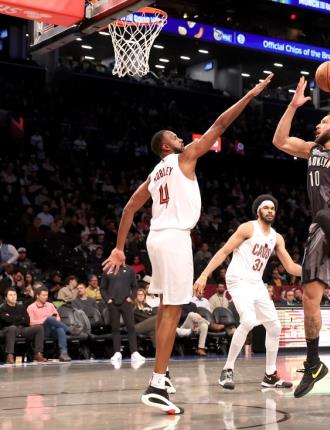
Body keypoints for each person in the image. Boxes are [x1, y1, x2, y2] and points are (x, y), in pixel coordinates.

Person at [102, 74, 273, 415]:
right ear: (166, 146)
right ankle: (156, 381)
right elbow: (219, 125)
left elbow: (128, 209)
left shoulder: (154, 173)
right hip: (175, 238)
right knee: (172, 311)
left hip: (155, 239)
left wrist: (120, 247)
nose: (181, 138)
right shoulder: (184, 158)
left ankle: (161, 378)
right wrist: (250, 93)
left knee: (169, 308)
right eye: (175, 137)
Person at [272, 69, 330, 398]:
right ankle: (313, 362)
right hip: (318, 227)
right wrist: (293, 105)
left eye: (323, 122)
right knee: (310, 297)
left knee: (324, 213)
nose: (317, 126)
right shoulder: (312, 150)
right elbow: (279, 141)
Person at [195, 194, 300, 390]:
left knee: (275, 326)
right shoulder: (248, 228)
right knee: (249, 320)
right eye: (266, 207)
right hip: (237, 279)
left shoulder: (276, 237)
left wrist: (315, 272)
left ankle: (270, 375)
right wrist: (204, 275)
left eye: (273, 208)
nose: (270, 210)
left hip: (255, 282)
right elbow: (224, 251)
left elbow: (291, 267)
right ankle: (227, 370)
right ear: (258, 210)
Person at [101, 264, 145, 364]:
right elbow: (102, 288)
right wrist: (108, 299)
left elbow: (134, 286)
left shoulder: (130, 269)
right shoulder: (108, 270)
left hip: (126, 302)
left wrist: (132, 297)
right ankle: (117, 352)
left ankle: (134, 352)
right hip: (113, 303)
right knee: (115, 328)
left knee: (131, 327)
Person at [0, 288, 46, 363]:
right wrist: (20, 318)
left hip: (21, 329)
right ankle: (9, 355)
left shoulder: (21, 307)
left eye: (15, 295)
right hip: (7, 329)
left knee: (39, 328)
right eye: (10, 295)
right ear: (6, 297)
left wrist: (13, 318)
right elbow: (6, 320)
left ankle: (38, 354)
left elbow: (27, 320)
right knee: (12, 328)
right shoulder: (2, 308)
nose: (13, 297)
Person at [26, 287, 71, 361]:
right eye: (43, 295)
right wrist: (45, 320)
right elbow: (31, 322)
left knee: (60, 329)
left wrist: (50, 320)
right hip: (41, 331)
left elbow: (58, 318)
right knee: (49, 318)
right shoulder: (31, 307)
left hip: (52, 329)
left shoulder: (50, 305)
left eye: (47, 295)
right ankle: (69, 330)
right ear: (37, 296)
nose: (46, 297)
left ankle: (63, 353)